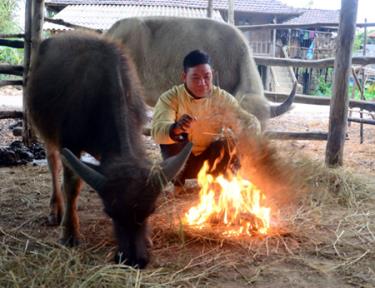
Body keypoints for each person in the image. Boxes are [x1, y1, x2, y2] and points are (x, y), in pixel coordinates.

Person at [151, 50, 260, 190]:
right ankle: (178, 183)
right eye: (195, 78)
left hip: (210, 160)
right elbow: (157, 132)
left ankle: (218, 183)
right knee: (172, 140)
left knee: (228, 144)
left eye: (207, 77)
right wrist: (176, 128)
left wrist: (251, 128)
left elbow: (244, 119)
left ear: (212, 75)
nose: (202, 83)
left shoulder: (222, 98)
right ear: (184, 77)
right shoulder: (170, 98)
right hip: (180, 160)